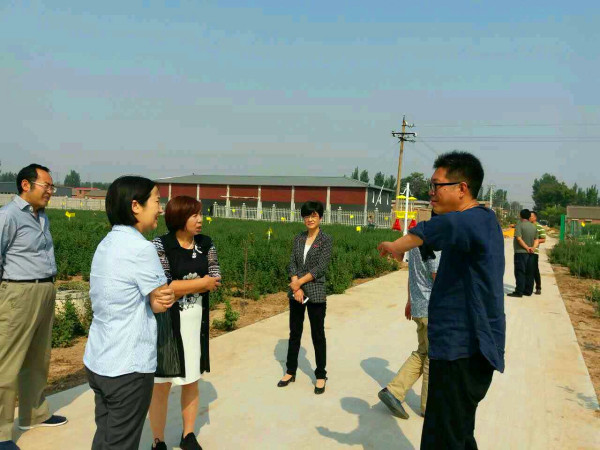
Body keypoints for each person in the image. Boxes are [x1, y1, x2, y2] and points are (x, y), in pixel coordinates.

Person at [377, 151, 505, 449]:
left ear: (462, 188)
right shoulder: (480, 222)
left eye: (437, 185)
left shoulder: (472, 220)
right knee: (457, 433)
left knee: (444, 437)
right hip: (462, 346)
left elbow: (435, 229)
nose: (431, 192)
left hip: (463, 348)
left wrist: (396, 245)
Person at [83, 176, 176, 450]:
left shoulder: (106, 243)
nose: (160, 208)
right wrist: (166, 295)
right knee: (121, 443)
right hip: (128, 366)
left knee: (106, 437)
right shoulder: (141, 249)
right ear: (136, 206)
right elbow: (160, 301)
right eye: (156, 201)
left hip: (100, 359)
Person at [0, 164, 68, 450]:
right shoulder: (8, 216)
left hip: (44, 289)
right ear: (26, 185)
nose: (50, 191)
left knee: (38, 357)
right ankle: (1, 433)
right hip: (18, 292)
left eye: (52, 186)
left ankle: (33, 415)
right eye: (46, 186)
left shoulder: (42, 216)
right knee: (7, 362)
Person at [149, 196, 221, 450]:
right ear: (179, 217)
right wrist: (201, 283)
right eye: (194, 215)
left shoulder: (205, 243)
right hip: (167, 324)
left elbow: (215, 277)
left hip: (194, 323)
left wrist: (181, 287)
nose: (201, 220)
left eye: (201, 214)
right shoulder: (160, 245)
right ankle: (158, 440)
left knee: (191, 380)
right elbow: (163, 285)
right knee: (161, 384)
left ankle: (188, 434)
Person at [378, 227, 440, 419]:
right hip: (433, 308)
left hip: (420, 306)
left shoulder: (414, 242)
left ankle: (393, 392)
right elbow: (437, 278)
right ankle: (429, 407)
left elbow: (412, 274)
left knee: (423, 352)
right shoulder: (435, 242)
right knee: (434, 358)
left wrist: (410, 300)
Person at [278, 201, 333, 394]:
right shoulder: (298, 238)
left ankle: (320, 375)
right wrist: (296, 286)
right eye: (307, 216)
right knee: (295, 332)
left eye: (314, 215)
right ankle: (290, 371)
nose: (310, 219)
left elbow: (321, 267)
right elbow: (292, 262)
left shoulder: (326, 240)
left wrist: (298, 283)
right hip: (297, 293)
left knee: (318, 334)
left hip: (315, 292)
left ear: (320, 217)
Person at [507, 209, 539, 298]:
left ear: (520, 216)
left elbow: (518, 238)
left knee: (520, 272)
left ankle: (519, 291)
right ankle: (528, 291)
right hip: (531, 253)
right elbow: (536, 239)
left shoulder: (519, 225)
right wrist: (533, 248)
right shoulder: (533, 227)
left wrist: (526, 247)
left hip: (520, 252)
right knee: (529, 272)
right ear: (529, 217)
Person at [529, 211, 546, 295]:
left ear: (535, 217)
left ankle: (538, 287)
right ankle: (528, 287)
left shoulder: (539, 227)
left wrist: (535, 241)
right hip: (525, 250)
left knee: (535, 270)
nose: (529, 218)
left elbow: (543, 239)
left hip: (534, 251)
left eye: (531, 216)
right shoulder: (527, 226)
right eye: (529, 216)